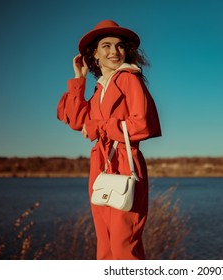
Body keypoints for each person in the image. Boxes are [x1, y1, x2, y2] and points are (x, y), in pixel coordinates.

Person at [57, 20, 161, 260]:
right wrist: (79, 79)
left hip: (126, 161)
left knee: (124, 245)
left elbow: (143, 124)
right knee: (104, 246)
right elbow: (77, 122)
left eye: (120, 46)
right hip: (101, 165)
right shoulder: (99, 87)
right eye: (106, 46)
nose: (114, 51)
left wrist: (100, 127)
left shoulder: (128, 78)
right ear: (94, 54)